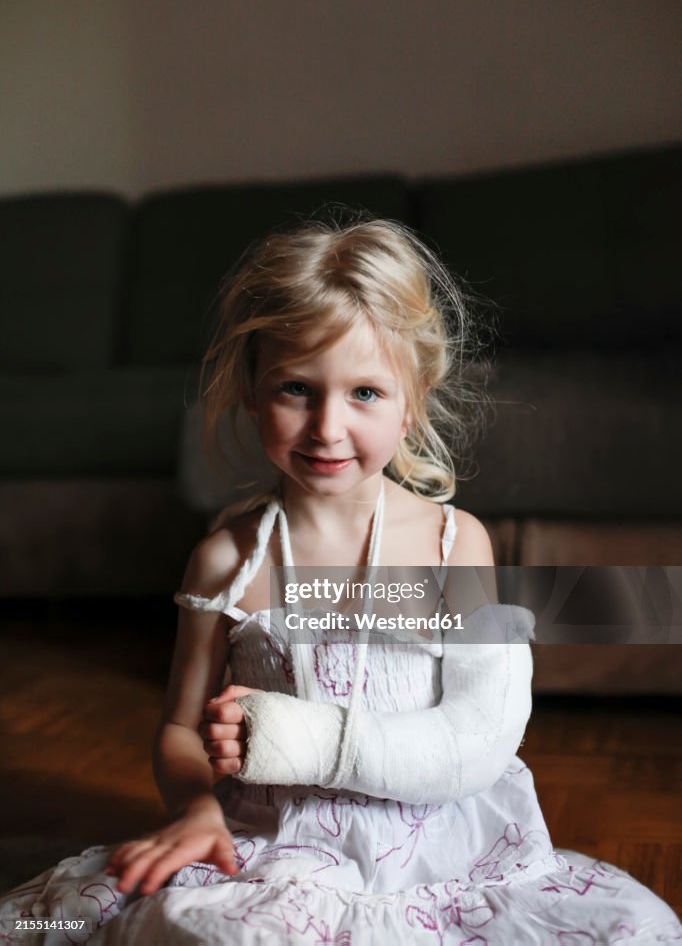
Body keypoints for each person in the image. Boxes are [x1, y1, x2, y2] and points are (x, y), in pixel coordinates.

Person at [1, 218, 679, 945]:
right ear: (251, 394)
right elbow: (178, 725)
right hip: (277, 851)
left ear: (412, 400)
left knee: (635, 931)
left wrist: (322, 740)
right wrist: (196, 808)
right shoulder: (228, 560)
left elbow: (484, 731)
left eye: (365, 393)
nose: (327, 426)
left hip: (447, 854)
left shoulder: (457, 546)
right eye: (297, 388)